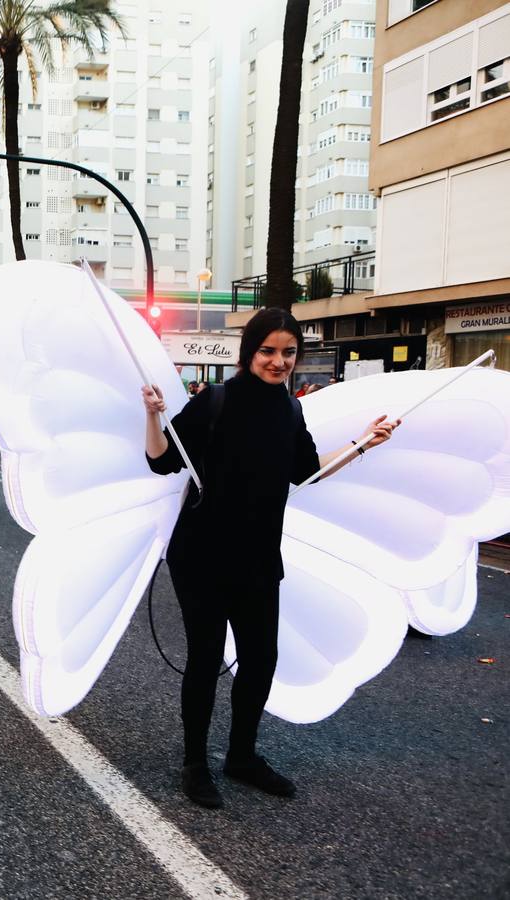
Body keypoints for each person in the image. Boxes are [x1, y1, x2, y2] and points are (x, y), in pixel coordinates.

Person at [142, 307, 399, 809]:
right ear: (249, 352)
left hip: (259, 556)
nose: (278, 362)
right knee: (204, 656)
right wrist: (152, 414)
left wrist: (365, 442)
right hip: (202, 556)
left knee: (261, 660)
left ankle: (241, 757)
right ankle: (195, 763)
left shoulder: (291, 411)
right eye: (268, 351)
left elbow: (307, 471)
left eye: (288, 353)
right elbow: (161, 460)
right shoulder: (214, 402)